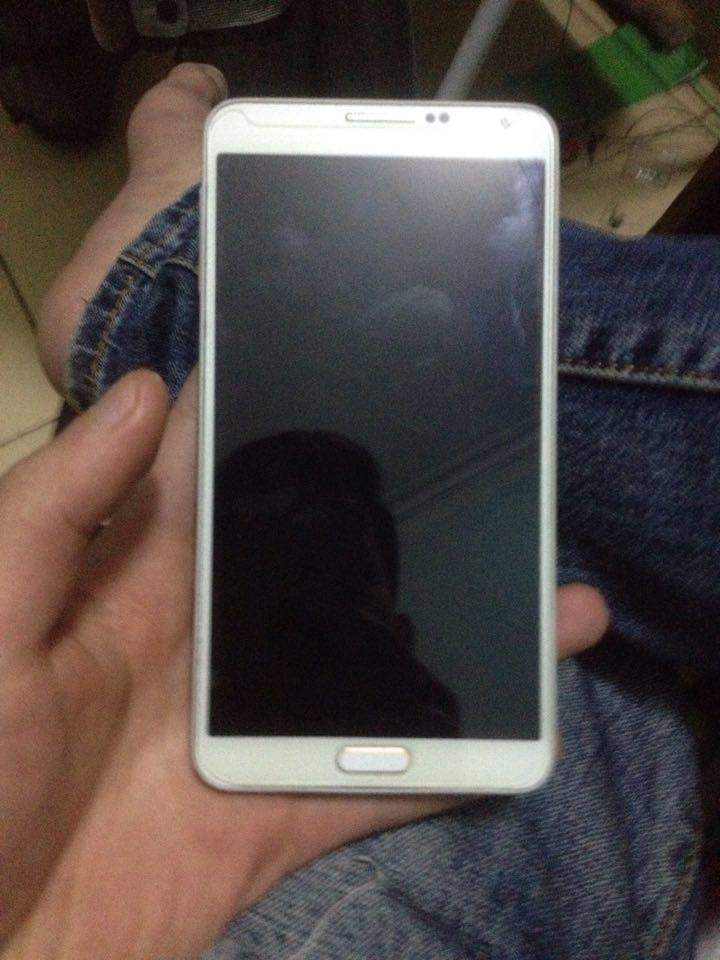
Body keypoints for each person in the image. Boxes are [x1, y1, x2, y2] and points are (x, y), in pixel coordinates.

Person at [0, 61, 717, 959]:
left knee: (590, 671)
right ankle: (164, 284)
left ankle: (164, 284)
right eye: (326, 572)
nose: (325, 594)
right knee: (590, 666)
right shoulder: (419, 700)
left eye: (337, 572)